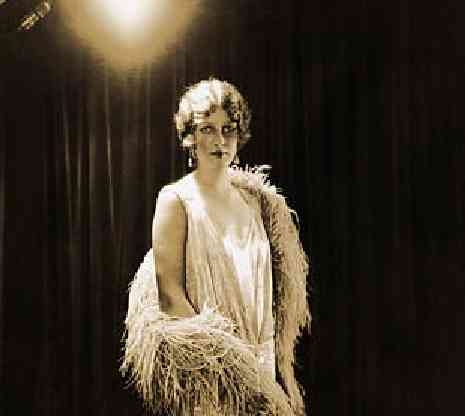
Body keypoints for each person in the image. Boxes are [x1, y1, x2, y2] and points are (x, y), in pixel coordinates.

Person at [121, 78, 311, 415]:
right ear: (190, 137)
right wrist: (229, 366)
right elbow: (170, 298)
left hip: (263, 367)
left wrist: (264, 375)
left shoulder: (257, 203)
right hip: (213, 376)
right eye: (207, 129)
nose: (219, 140)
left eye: (228, 129)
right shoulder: (176, 200)